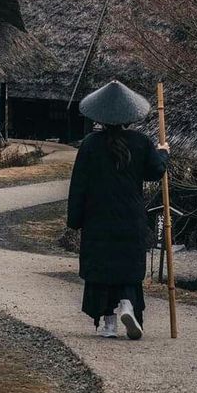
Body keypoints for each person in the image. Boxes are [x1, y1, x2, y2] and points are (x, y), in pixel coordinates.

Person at [67, 80, 169, 339]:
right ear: (130, 117)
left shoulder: (90, 144)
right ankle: (126, 302)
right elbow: (156, 171)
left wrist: (75, 219)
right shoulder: (141, 143)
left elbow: (79, 184)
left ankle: (108, 325)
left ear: (100, 117)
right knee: (127, 265)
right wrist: (163, 153)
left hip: (98, 216)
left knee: (102, 269)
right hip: (130, 216)